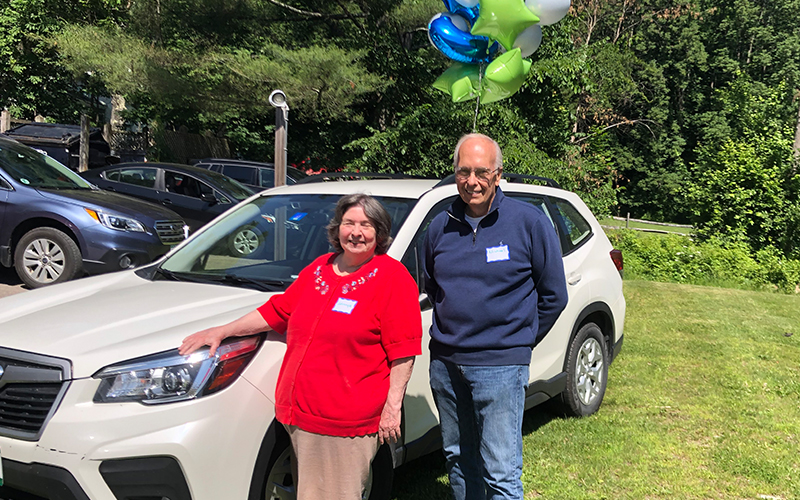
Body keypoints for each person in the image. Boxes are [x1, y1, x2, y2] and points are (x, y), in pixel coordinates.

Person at [179, 194, 422, 500]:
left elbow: (403, 351)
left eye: (366, 225)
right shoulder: (320, 268)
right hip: (301, 416)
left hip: (344, 422)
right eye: (349, 223)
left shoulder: (391, 278)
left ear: (380, 233)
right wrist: (222, 331)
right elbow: (277, 311)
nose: (356, 232)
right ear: (337, 228)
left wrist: (391, 409)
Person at [423, 133, 569, 500]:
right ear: (454, 173)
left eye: (481, 172)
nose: (472, 181)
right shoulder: (439, 227)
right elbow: (432, 285)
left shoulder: (529, 222)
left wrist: (517, 340)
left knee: (500, 470)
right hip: (446, 365)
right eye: (463, 171)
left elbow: (554, 295)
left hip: (502, 367)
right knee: (459, 459)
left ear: (498, 174)